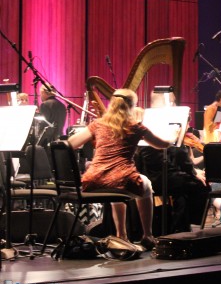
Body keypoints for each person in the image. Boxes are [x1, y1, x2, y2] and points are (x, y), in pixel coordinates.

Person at [68, 88, 176, 250]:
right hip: (122, 178)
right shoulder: (135, 126)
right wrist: (173, 137)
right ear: (131, 106)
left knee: (114, 185)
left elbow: (70, 143)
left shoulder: (97, 124)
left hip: (93, 180)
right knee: (145, 184)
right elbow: (162, 144)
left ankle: (121, 235)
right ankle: (147, 235)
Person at [136, 91, 211, 234]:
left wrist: (191, 172)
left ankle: (180, 226)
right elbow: (180, 154)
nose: (175, 104)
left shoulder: (146, 120)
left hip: (148, 175)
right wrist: (193, 173)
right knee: (201, 185)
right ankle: (185, 227)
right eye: (173, 101)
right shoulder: (168, 121)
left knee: (182, 191)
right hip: (162, 177)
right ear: (167, 101)